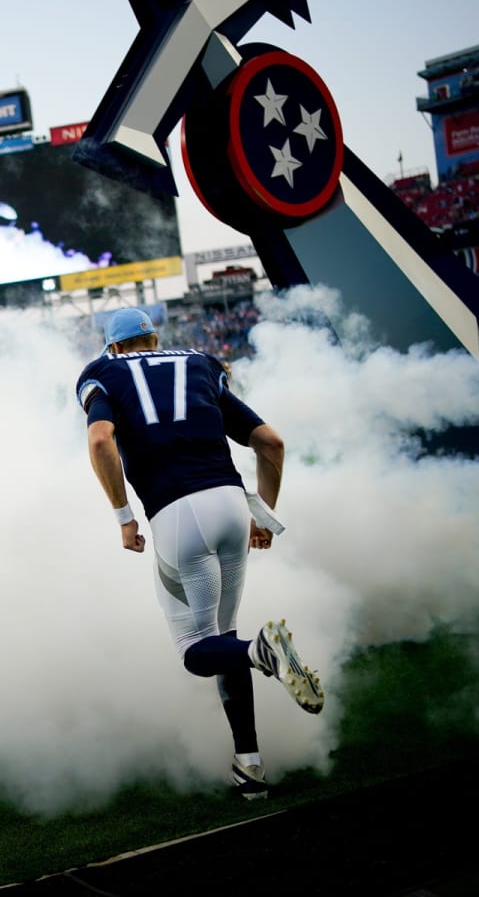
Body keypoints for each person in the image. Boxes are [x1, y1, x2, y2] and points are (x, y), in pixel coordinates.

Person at [75, 307, 323, 801]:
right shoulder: (200, 361)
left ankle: (264, 652)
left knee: (196, 649)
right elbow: (270, 443)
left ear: (117, 346)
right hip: (232, 504)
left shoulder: (102, 372)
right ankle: (250, 766)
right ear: (155, 337)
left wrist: (125, 517)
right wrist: (264, 516)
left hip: (177, 515)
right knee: (225, 641)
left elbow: (101, 438)